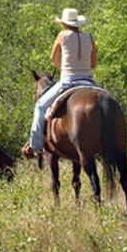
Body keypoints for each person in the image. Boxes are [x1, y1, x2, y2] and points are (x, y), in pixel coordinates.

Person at [26, 8, 98, 154]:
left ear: (64, 24)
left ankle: (35, 145)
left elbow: (54, 58)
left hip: (68, 80)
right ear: (77, 23)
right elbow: (93, 63)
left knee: (40, 106)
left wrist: (63, 69)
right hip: (89, 80)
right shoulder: (89, 37)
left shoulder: (62, 36)